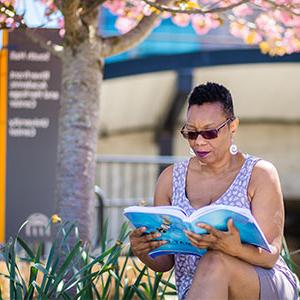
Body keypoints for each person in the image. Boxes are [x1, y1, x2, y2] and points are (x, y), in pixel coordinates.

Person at [129, 82, 299, 299]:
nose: (199, 142)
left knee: (214, 261)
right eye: (191, 133)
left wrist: (231, 247)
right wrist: (144, 251)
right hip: (198, 289)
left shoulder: (260, 174)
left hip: (261, 282)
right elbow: (165, 262)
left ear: (233, 127)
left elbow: (270, 256)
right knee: (213, 265)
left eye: (209, 132)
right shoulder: (169, 179)